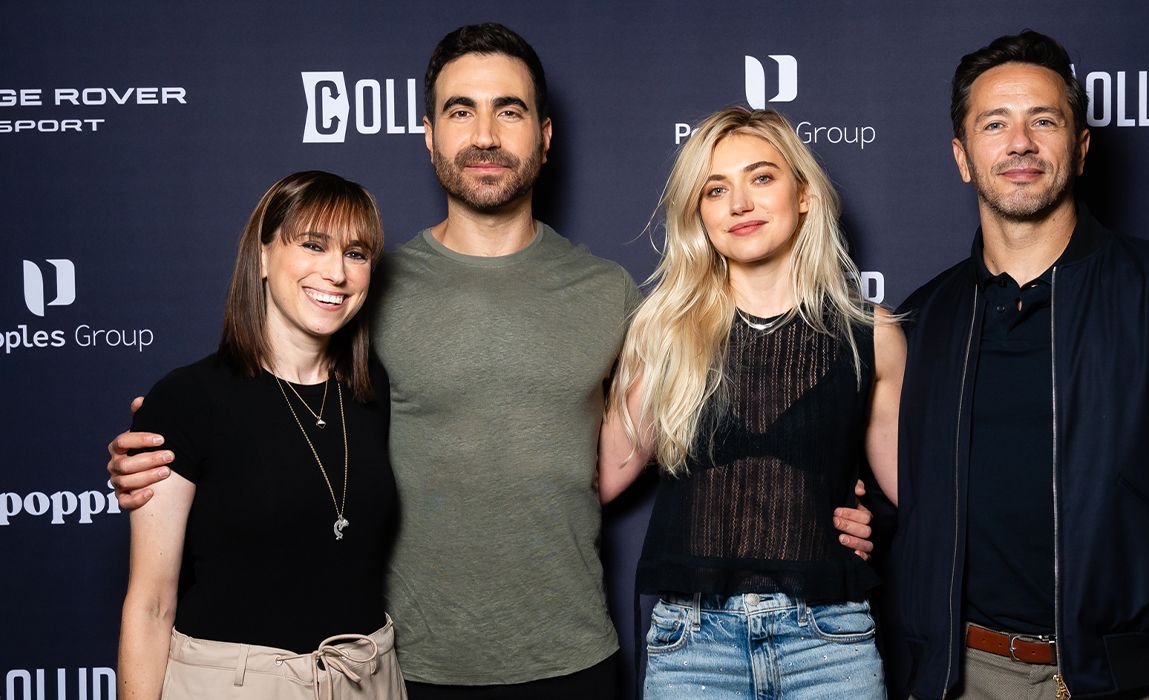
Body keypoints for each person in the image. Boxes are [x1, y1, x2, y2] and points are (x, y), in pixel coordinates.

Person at [107, 23, 876, 699]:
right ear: (428, 136)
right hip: (406, 664)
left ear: (544, 137)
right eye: (459, 111)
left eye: (508, 111)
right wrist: (167, 441)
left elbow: (703, 404)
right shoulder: (368, 287)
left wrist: (847, 501)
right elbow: (274, 393)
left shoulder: (612, 294)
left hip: (574, 655)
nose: (484, 134)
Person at [889, 31, 1149, 700]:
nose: (1019, 142)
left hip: (1140, 680)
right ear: (962, 156)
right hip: (967, 675)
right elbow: (905, 494)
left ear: (1080, 145)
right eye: (995, 124)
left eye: (1044, 120)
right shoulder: (922, 320)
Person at [595, 106, 906, 698]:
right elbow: (602, 477)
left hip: (830, 641)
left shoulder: (873, 335)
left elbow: (915, 491)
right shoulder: (663, 332)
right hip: (693, 649)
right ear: (699, 214)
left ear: (805, 194)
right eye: (716, 189)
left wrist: (876, 523)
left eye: (761, 177)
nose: (740, 203)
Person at [117, 171, 405, 699]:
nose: (336, 273)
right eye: (313, 245)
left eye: (356, 253)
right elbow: (151, 603)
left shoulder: (375, 392)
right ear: (263, 255)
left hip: (368, 677)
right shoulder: (185, 400)